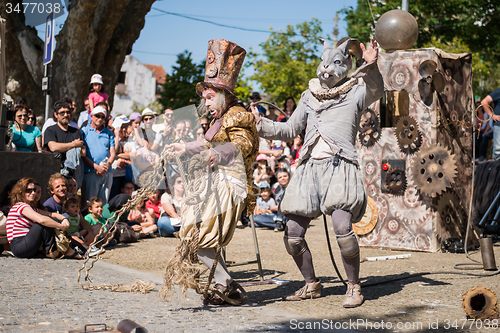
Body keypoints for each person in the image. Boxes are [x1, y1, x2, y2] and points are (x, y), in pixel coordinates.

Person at [251, 37, 383, 308]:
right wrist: (259, 124)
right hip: (309, 168)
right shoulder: (308, 96)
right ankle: (311, 284)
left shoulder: (355, 92)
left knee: (343, 228)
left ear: (345, 66)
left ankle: (354, 287)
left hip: (339, 166)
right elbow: (289, 130)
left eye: (334, 64)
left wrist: (371, 64)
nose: (327, 70)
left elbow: (377, 89)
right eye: (325, 64)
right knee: (292, 232)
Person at [163, 39, 259, 305]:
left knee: (200, 236)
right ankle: (225, 284)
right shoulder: (219, 119)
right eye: (203, 99)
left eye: (208, 97)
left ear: (223, 95)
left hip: (231, 184)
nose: (205, 104)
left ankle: (225, 284)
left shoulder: (238, 115)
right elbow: (207, 143)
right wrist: (185, 146)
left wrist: (217, 154)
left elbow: (243, 144)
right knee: (196, 233)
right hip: (213, 183)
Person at [6, 177, 82, 259]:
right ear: (21, 192)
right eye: (29, 190)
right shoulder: (20, 205)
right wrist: (60, 226)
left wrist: (64, 219)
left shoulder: (31, 208)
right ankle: (51, 250)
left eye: (34, 190)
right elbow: (41, 220)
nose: (33, 193)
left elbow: (52, 214)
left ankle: (64, 249)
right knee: (45, 220)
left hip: (28, 245)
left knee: (50, 218)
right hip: (19, 246)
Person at [43, 100, 85, 184]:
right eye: (62, 113)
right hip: (54, 173)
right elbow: (53, 147)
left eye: (68, 112)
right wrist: (73, 144)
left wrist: (63, 147)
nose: (65, 115)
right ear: (56, 114)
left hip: (72, 176)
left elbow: (83, 152)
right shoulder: (50, 130)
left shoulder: (76, 132)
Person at [81, 106, 116, 204]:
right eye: (97, 116)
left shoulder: (109, 133)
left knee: (103, 203)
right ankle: (89, 220)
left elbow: (113, 153)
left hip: (106, 171)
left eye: (102, 117)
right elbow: (82, 154)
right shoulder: (83, 131)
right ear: (91, 116)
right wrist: (96, 167)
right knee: (90, 202)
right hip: (90, 171)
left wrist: (106, 166)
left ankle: (102, 220)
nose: (100, 119)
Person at [110, 115, 132, 200]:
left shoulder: (130, 140)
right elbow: (113, 151)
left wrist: (117, 156)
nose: (124, 130)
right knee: (113, 198)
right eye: (122, 127)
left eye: (126, 127)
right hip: (114, 175)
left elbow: (133, 155)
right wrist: (116, 136)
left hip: (126, 175)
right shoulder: (111, 138)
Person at [480, 89, 500, 159]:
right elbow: (484, 102)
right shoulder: (498, 91)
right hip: (499, 125)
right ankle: (496, 169)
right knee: (498, 152)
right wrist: (492, 115)